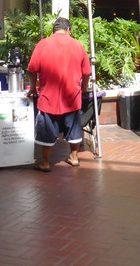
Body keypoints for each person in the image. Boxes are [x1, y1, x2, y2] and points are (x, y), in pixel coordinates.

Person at [27, 17, 91, 172]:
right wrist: (83, 88)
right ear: (68, 29)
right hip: (72, 97)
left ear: (53, 30)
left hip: (49, 97)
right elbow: (87, 72)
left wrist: (33, 88)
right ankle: (74, 157)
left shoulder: (43, 44)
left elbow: (32, 69)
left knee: (47, 129)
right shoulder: (78, 45)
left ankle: (45, 162)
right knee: (73, 128)